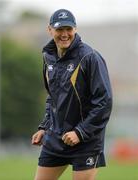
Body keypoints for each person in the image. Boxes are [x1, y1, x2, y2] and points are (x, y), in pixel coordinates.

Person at [32, 9, 112, 180]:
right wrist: (45, 127)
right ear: (50, 30)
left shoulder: (90, 57)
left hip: (86, 140)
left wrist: (80, 132)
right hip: (56, 138)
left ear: (75, 29)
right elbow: (53, 97)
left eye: (69, 29)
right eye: (60, 29)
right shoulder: (48, 57)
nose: (65, 34)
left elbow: (104, 102)